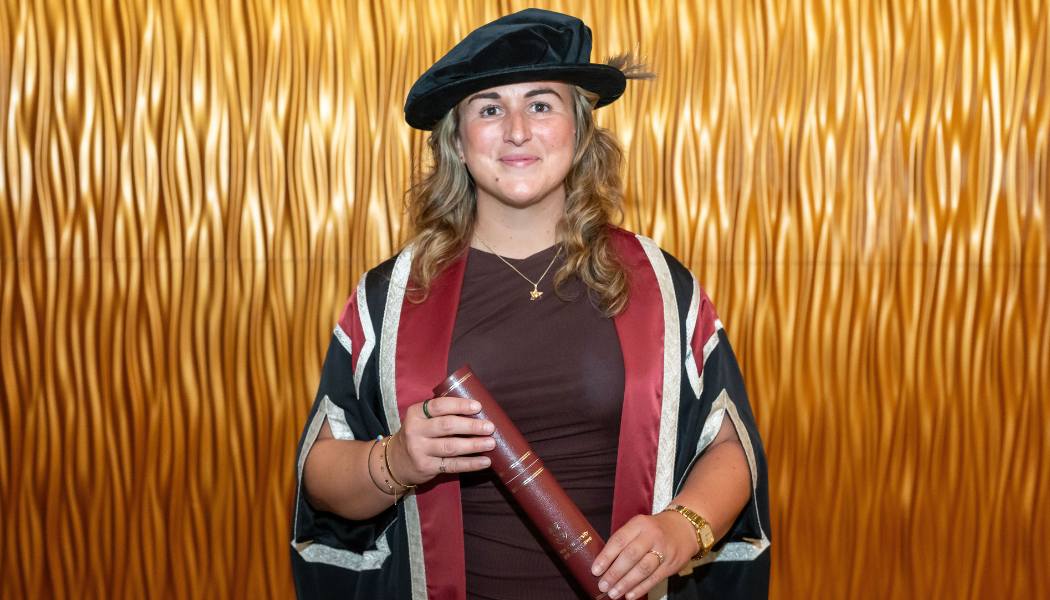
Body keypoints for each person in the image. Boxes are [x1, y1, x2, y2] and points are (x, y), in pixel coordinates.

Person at [291, 8, 770, 600]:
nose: (517, 129)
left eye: (541, 104)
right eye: (489, 109)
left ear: (579, 129)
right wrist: (396, 461)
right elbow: (320, 475)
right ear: (458, 144)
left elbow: (729, 447)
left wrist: (682, 527)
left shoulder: (660, 284)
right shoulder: (390, 297)